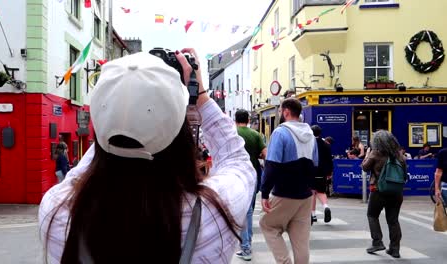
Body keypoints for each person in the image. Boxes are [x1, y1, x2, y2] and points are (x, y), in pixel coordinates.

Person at [39, 49, 256, 263]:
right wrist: (200, 97)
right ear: (180, 134)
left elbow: (82, 171)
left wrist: (121, 105)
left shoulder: (57, 214)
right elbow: (237, 161)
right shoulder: (211, 213)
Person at [259, 98, 318, 264]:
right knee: (301, 241)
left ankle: (284, 262)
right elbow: (315, 165)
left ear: (285, 112)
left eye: (279, 111)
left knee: (267, 225)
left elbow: (272, 165)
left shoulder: (280, 132)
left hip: (285, 192)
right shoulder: (310, 135)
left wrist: (264, 192)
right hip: (305, 195)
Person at [362, 130, 406, 259]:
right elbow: (404, 172)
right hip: (396, 192)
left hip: (378, 190)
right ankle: (395, 249)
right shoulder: (399, 155)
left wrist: (367, 154)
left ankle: (377, 242)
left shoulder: (376, 153)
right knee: (393, 220)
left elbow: (364, 167)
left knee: (372, 215)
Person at [234, 109, 267, 261]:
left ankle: (245, 247)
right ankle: (247, 244)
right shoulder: (256, 135)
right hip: (252, 175)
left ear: (235, 119)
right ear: (248, 120)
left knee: (243, 211)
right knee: (249, 210)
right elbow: (265, 154)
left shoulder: (232, 133)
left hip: (235, 175)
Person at [310, 125, 333, 225]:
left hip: (311, 171)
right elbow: (329, 160)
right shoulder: (326, 144)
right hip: (322, 172)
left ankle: (313, 215)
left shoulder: (309, 144)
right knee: (321, 191)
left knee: (312, 193)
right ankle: (326, 207)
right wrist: (329, 172)